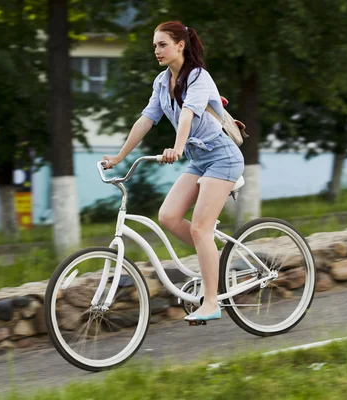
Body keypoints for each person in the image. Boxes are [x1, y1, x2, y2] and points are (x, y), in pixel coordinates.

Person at [102, 21, 244, 321]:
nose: (156, 50)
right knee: (168, 216)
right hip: (198, 159)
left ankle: (211, 302)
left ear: (181, 45)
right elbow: (146, 120)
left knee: (199, 229)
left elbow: (188, 117)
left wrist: (177, 148)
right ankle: (213, 259)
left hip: (222, 158)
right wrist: (118, 157)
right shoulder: (161, 82)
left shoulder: (198, 78)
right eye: (154, 45)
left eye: (162, 44)